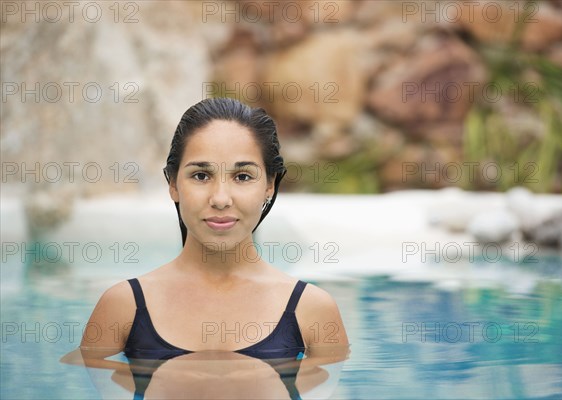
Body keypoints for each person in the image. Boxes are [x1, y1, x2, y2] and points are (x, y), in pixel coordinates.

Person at [62, 97, 349, 399]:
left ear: (270, 185)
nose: (221, 198)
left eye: (242, 176)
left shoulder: (313, 310)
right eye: (201, 175)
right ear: (173, 183)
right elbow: (79, 375)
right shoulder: (123, 306)